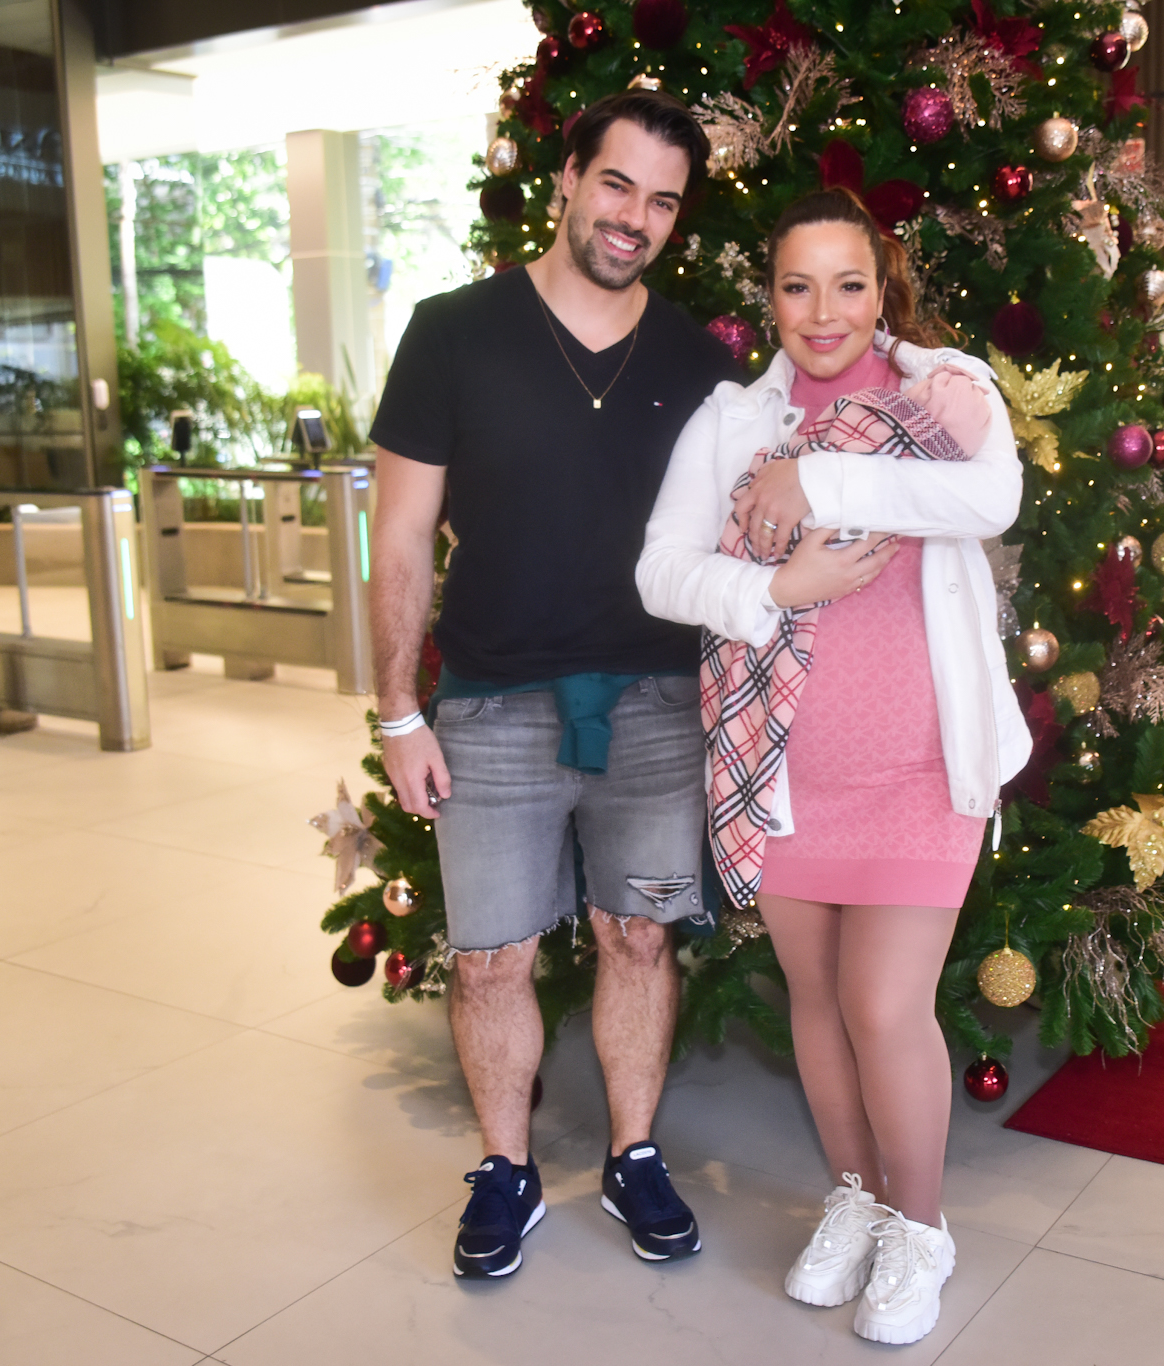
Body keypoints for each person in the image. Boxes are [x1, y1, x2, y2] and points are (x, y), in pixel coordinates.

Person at [636, 187, 1030, 1345]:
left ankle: (921, 1229)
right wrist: (772, 588)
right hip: (784, 767)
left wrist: (818, 482)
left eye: (847, 284)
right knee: (815, 999)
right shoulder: (726, 421)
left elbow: (988, 498)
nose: (823, 311)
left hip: (918, 761)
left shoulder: (942, 396)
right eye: (797, 285)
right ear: (767, 296)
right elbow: (660, 573)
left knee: (881, 1001)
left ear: (881, 289)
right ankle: (854, 1202)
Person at [365, 89, 738, 1282]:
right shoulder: (450, 333)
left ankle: (633, 1153)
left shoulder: (696, 358)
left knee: (637, 937)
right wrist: (394, 710)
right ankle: (506, 1170)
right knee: (488, 958)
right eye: (618, 184)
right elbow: (400, 542)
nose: (634, 218)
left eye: (663, 201)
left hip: (656, 705)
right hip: (489, 703)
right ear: (569, 177)